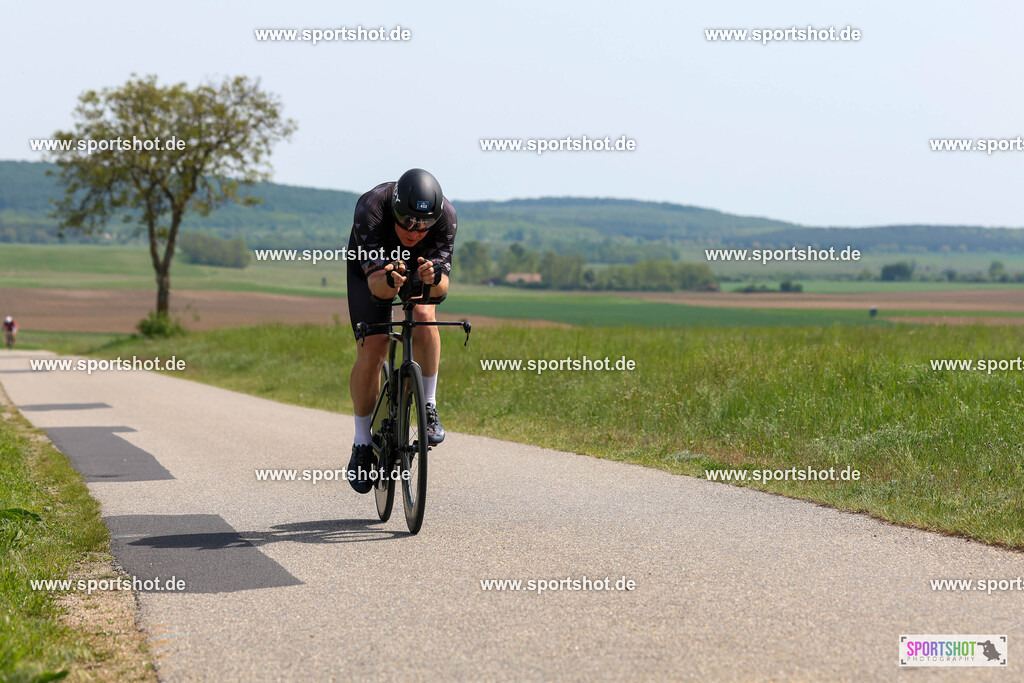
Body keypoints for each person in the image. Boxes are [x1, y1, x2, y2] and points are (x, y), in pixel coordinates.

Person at [345, 169, 457, 493]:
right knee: (375, 345)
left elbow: (442, 288)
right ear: (395, 210)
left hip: (418, 267)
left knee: (423, 314)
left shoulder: (446, 217)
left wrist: (433, 278)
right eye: (407, 221)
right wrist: (391, 279)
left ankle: (429, 405)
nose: (414, 231)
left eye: (423, 225)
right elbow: (378, 289)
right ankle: (362, 441)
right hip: (374, 270)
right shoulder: (371, 208)